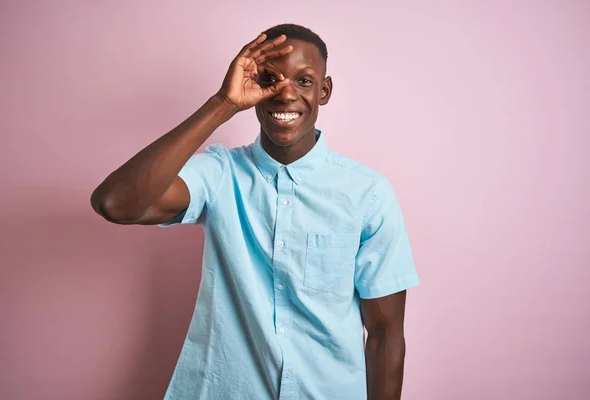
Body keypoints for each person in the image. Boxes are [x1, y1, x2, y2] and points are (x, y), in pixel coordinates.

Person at [91, 23, 420, 400]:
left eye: (304, 81)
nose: (285, 94)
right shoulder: (218, 174)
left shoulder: (367, 194)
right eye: (270, 79)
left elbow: (385, 336)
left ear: (324, 91)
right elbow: (114, 203)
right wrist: (224, 103)